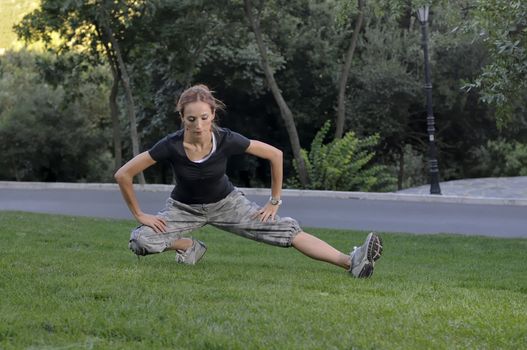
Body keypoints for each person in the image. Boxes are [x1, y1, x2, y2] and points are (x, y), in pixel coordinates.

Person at [114, 84, 383, 278]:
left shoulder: (227, 139)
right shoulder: (170, 145)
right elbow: (123, 174)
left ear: (212, 116)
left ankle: (353, 262)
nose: (198, 125)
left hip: (227, 204)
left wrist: (274, 201)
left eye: (204, 118)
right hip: (183, 209)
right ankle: (189, 246)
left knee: (285, 231)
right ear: (182, 117)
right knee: (141, 241)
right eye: (191, 119)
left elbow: (275, 155)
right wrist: (139, 214)